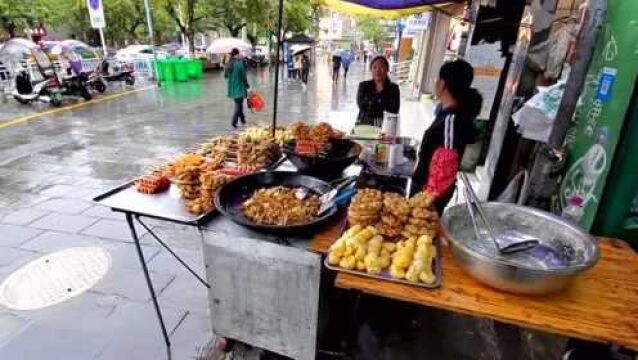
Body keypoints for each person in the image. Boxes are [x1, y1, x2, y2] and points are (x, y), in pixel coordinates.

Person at [411, 59, 483, 213]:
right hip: (425, 191)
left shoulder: (452, 120)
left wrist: (424, 203)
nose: (435, 82)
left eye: (437, 79)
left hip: (429, 197)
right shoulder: (447, 113)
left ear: (443, 84)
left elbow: (445, 169)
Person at [356, 55, 400, 126]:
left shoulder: (394, 88)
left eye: (381, 67)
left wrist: (372, 104)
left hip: (386, 127)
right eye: (374, 67)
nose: (377, 70)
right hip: (364, 126)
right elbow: (362, 105)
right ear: (371, 69)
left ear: (387, 69)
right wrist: (382, 106)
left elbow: (394, 110)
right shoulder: (364, 86)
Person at [224, 48, 250, 129]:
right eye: (239, 54)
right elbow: (243, 76)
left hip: (232, 88)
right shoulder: (239, 63)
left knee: (239, 104)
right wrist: (247, 85)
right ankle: (234, 122)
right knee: (238, 106)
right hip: (239, 87)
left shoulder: (229, 63)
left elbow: (225, 76)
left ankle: (243, 120)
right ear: (237, 54)